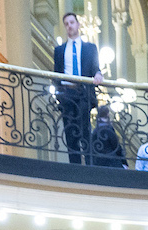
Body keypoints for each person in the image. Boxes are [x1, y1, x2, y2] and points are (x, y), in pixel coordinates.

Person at [52, 11, 101, 164]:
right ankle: (75, 166)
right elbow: (56, 73)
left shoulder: (90, 48)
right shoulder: (59, 51)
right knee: (70, 132)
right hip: (67, 94)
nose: (69, 26)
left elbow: (94, 67)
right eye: (66, 24)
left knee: (85, 130)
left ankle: (89, 165)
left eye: (72, 23)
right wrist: (59, 93)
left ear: (78, 25)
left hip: (83, 93)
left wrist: (98, 74)